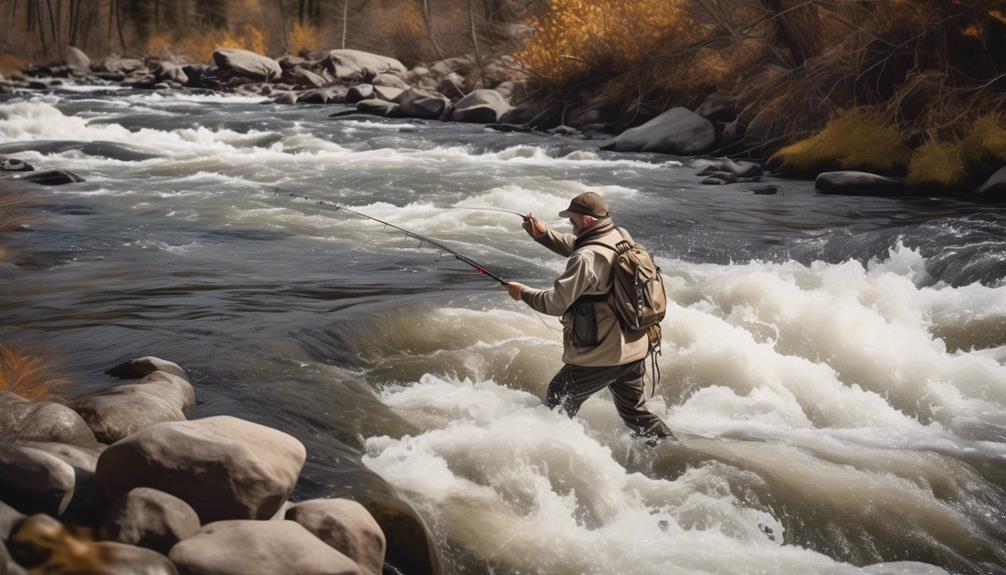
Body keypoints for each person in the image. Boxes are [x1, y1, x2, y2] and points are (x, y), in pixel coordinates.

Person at [504, 192, 675, 441]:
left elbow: (555, 303)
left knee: (557, 400)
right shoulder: (620, 235)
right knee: (635, 413)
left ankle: (560, 457)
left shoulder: (585, 258)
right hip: (636, 346)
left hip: (605, 354)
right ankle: (670, 451)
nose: (571, 226)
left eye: (572, 221)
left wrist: (522, 293)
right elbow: (587, 249)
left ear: (587, 220)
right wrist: (543, 235)